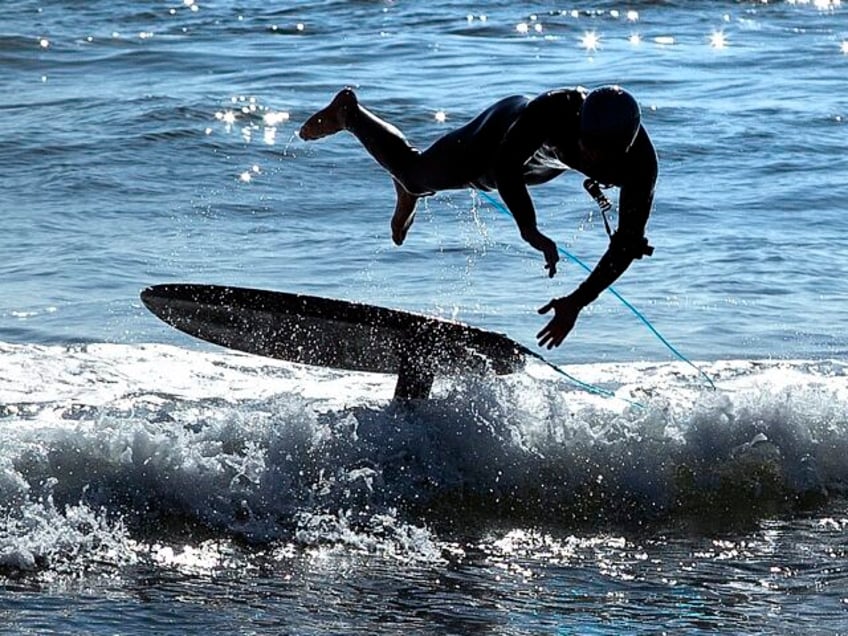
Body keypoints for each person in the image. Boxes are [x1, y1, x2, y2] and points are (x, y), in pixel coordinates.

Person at [299, 85, 657, 349]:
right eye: (588, 148)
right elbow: (505, 167)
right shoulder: (557, 110)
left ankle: (412, 190)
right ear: (580, 126)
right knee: (414, 172)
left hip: (540, 166)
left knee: (428, 180)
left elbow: (625, 245)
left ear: (626, 144)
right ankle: (349, 113)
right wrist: (530, 229)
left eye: (605, 156)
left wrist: (576, 302)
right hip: (500, 135)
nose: (594, 161)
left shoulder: (641, 167)